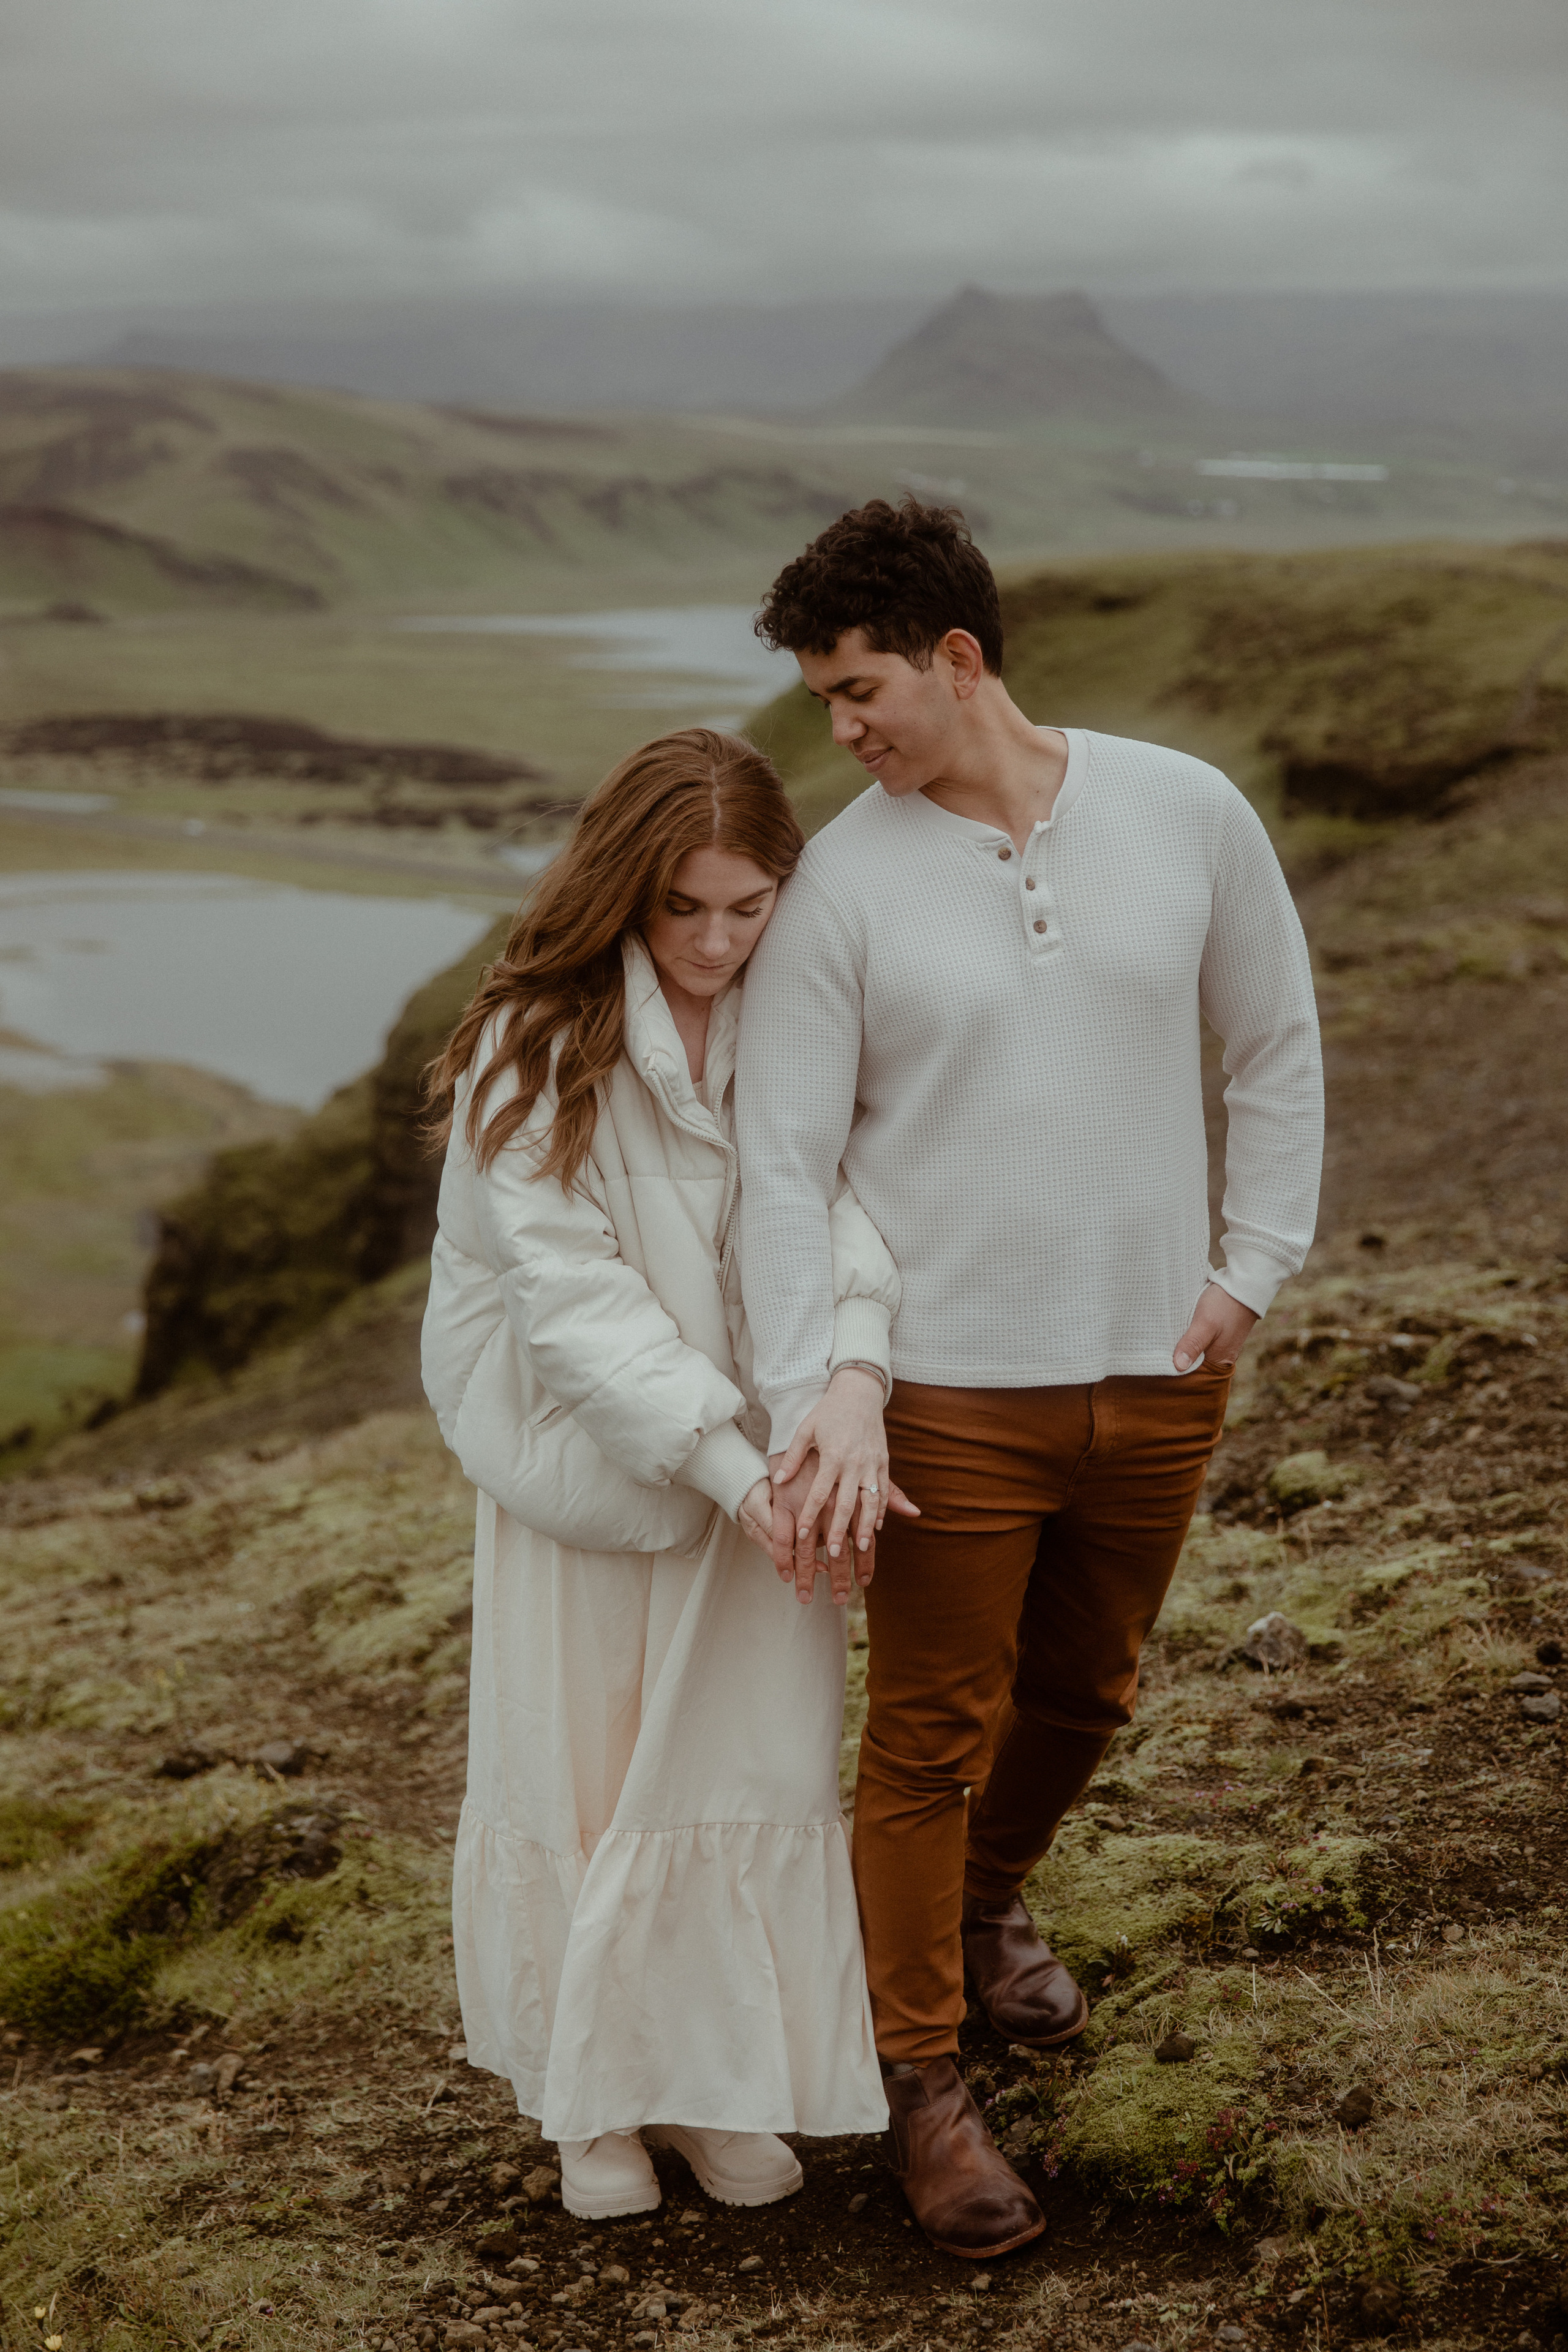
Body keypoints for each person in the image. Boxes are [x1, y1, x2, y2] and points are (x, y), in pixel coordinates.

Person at [736, 499, 1324, 2258]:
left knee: (1091, 1691)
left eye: (859, 693)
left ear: (960, 660)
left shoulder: (1185, 811)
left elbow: (1274, 1037)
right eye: (827, 701)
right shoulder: (842, 881)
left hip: (1157, 1364)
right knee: (923, 1737)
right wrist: (821, 1389)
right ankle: (922, 2087)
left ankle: (989, 1909)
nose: (840, 733)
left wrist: (1254, 1265)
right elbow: (784, 1164)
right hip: (945, 1399)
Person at [420, 729, 908, 2222]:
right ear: (623, 889)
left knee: (740, 1757)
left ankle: (709, 2082)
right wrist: (717, 1460)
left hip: (766, 1444)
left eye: (745, 908)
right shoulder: (531, 1041)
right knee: (582, 1759)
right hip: (597, 1459)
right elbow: (565, 1300)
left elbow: (847, 1208)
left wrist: (849, 1378)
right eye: (680, 909)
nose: (712, 943)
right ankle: (594, 2101)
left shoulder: (801, 1009)